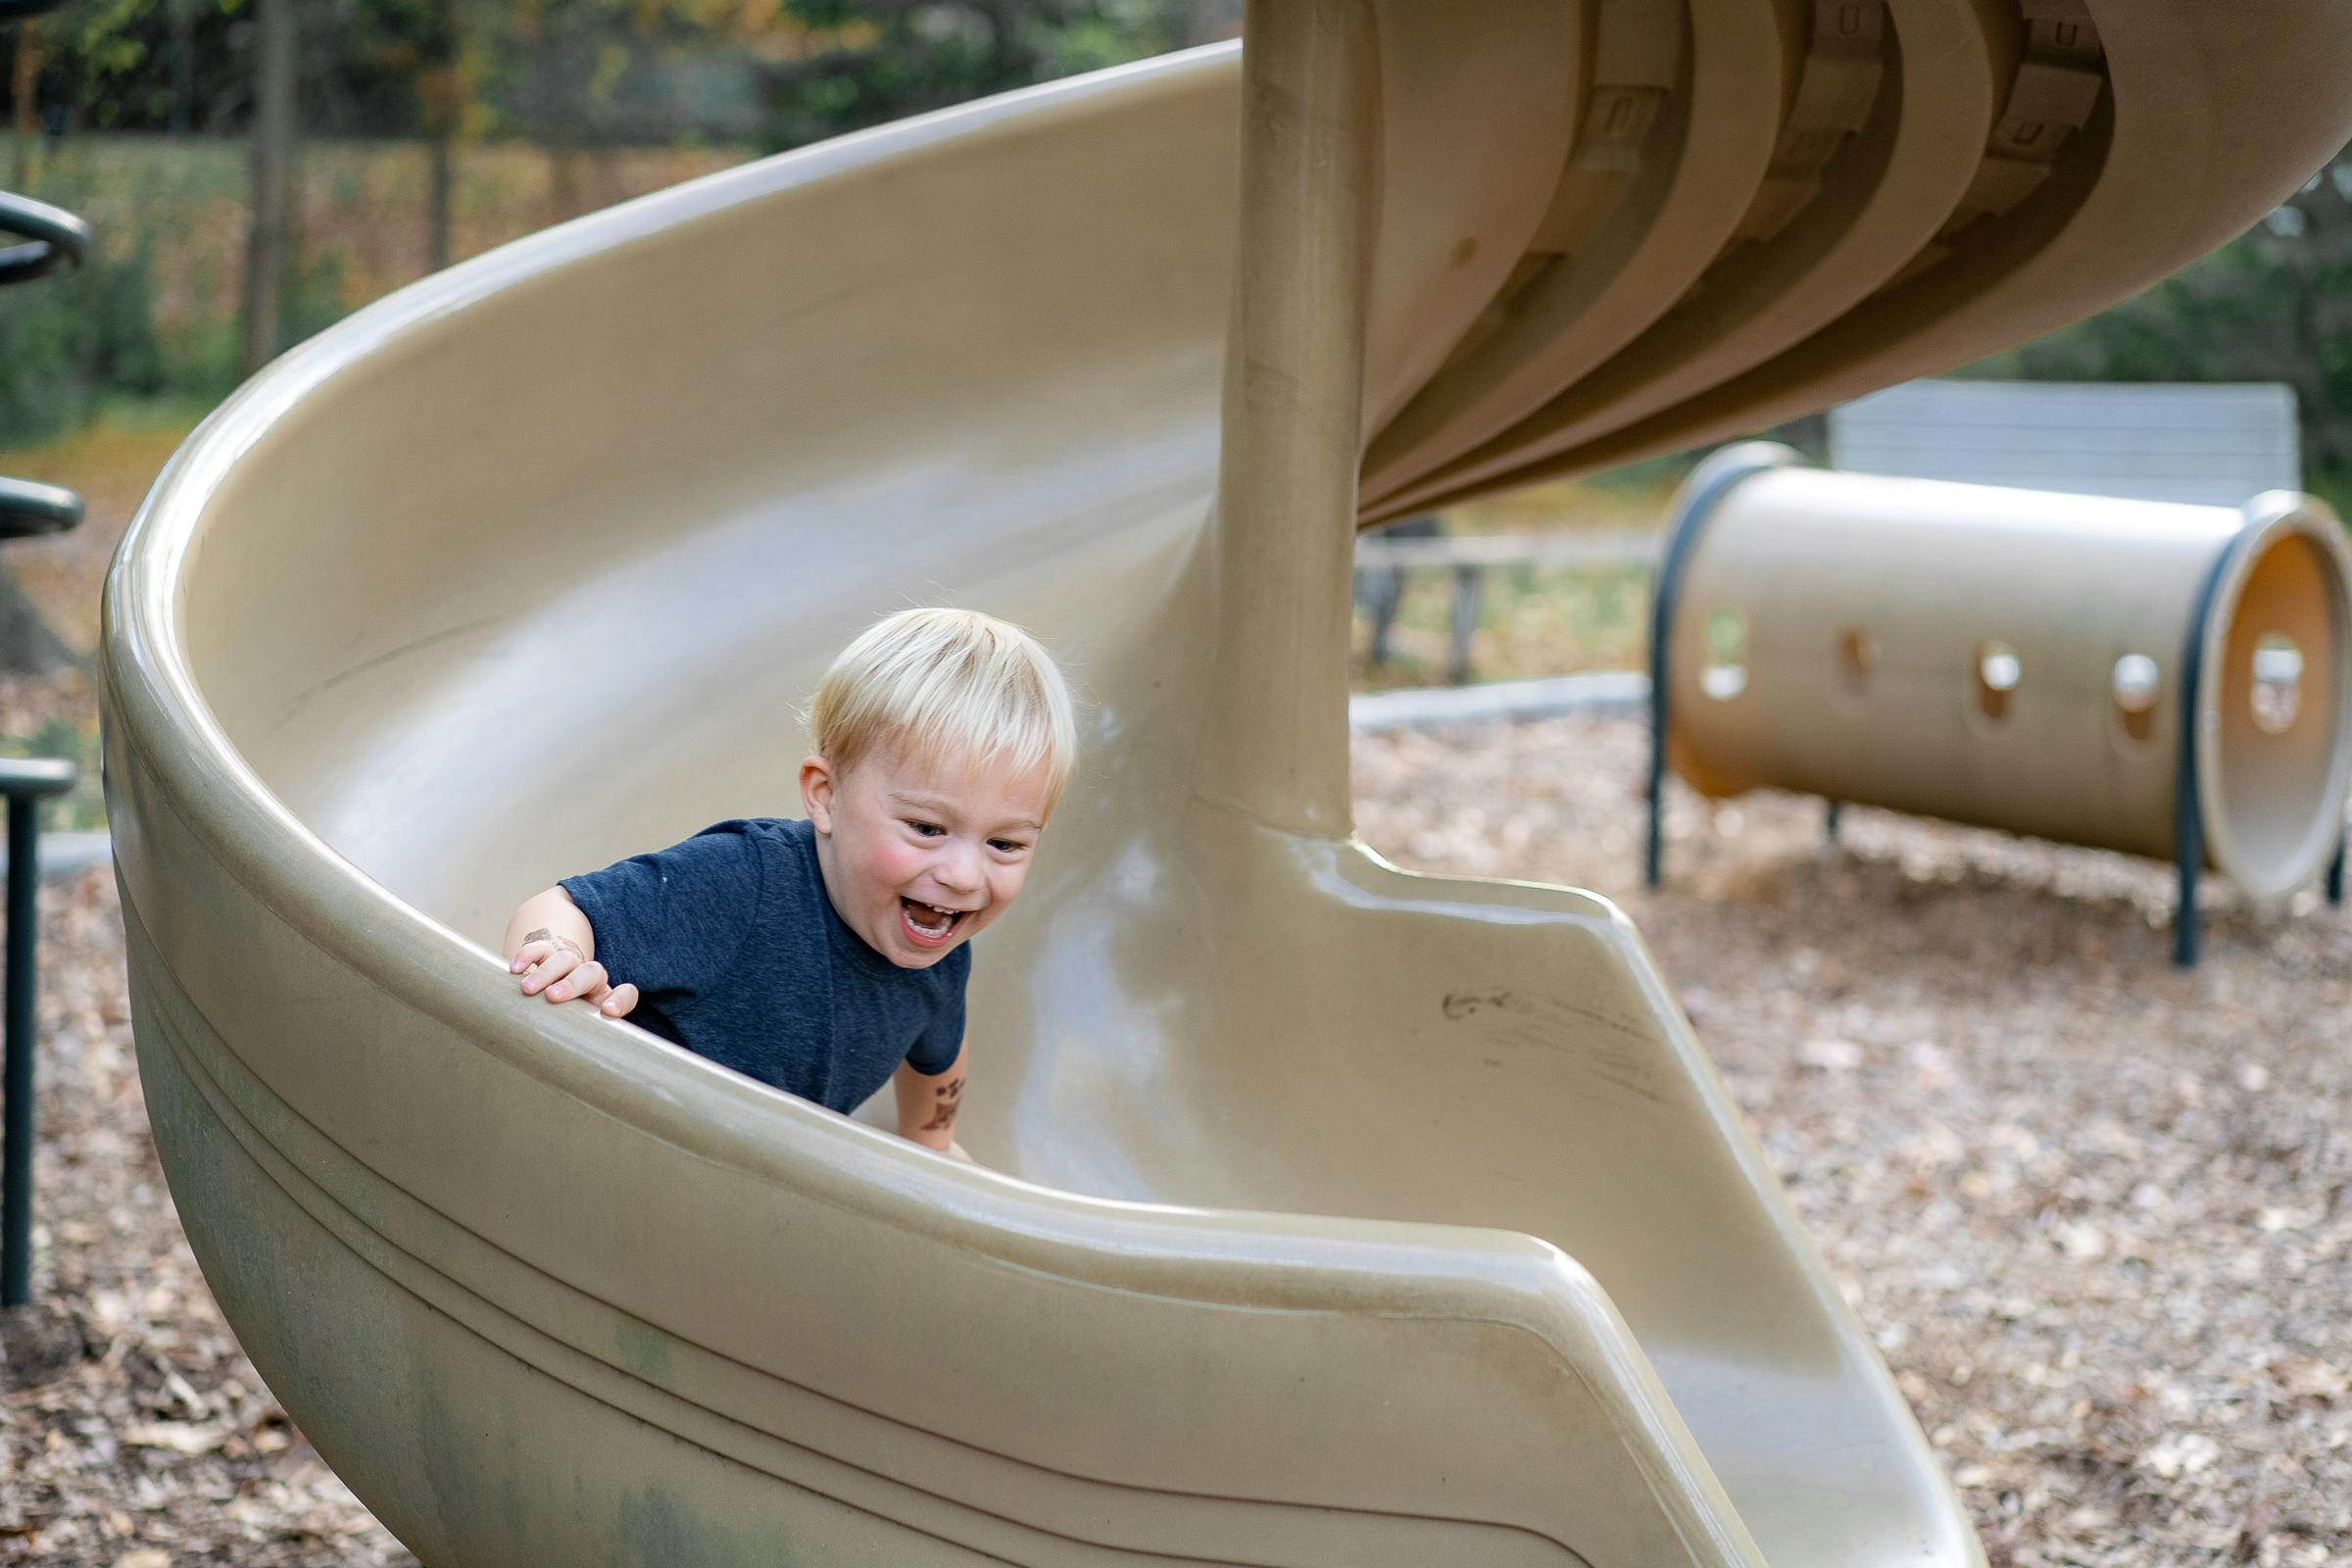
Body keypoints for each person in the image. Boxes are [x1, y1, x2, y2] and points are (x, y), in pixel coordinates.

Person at [500, 607, 1075, 1162]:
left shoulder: (941, 948)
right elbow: (559, 906)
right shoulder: (743, 880)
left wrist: (932, 1146)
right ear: (826, 797)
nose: (965, 877)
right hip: (618, 1148)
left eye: (1005, 844)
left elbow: (937, 1053)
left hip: (754, 1183)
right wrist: (557, 954)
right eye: (927, 828)